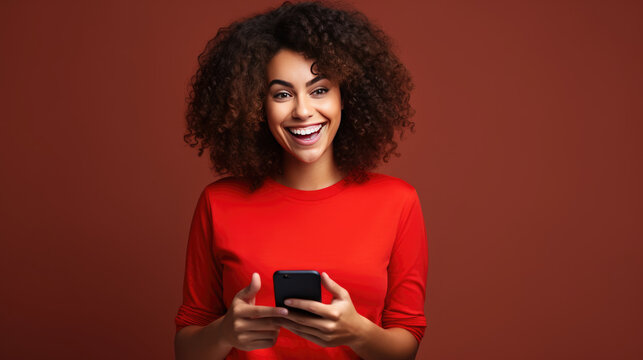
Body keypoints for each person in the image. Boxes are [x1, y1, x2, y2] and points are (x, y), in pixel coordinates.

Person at [174, 2, 428, 359]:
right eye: (281, 94)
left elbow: (406, 346)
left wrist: (358, 333)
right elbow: (186, 350)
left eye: (319, 89)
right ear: (255, 105)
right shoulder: (218, 202)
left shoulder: (398, 202)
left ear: (346, 97)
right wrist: (225, 331)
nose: (303, 111)